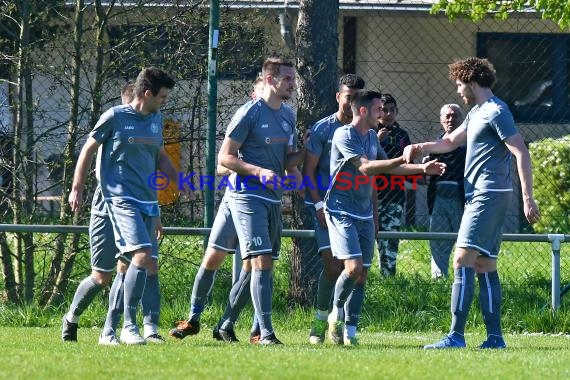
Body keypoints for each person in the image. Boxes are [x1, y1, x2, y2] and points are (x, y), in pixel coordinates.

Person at [403, 57, 540, 349]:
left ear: (472, 82)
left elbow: (520, 153)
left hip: (488, 194)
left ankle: (455, 336)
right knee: (484, 263)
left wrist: (528, 198)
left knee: (461, 259)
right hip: (484, 194)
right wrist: (420, 147)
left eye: (459, 85)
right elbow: (450, 142)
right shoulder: (477, 112)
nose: (457, 91)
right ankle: (495, 338)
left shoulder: (495, 111)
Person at [171, 57, 300, 345]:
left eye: (294, 78)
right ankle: (259, 332)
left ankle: (228, 324)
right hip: (245, 194)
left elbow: (288, 159)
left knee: (249, 263)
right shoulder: (249, 113)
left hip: (270, 198)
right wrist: (259, 171)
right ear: (270, 80)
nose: (294, 84)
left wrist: (309, 153)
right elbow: (224, 158)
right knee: (255, 260)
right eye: (288, 78)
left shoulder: (288, 115)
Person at [65, 67, 178, 345]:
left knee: (132, 262)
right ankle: (73, 317)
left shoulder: (155, 119)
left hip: (144, 203)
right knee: (102, 276)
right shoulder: (115, 117)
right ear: (147, 93)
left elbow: (160, 155)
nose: (165, 102)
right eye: (162, 97)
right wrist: (76, 187)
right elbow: (89, 149)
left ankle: (115, 330)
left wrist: (180, 180)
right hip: (115, 201)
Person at [325, 90, 446, 345]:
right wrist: (402, 156)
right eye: (379, 109)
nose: (383, 114)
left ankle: (351, 332)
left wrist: (421, 168)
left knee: (362, 274)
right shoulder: (343, 134)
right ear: (363, 111)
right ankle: (335, 312)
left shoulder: (371, 136)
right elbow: (367, 167)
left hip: (364, 212)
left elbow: (393, 168)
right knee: (353, 267)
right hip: (341, 210)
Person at [169, 76, 269, 344]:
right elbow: (222, 166)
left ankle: (229, 324)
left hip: (259, 202)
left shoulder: (275, 123)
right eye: (260, 94)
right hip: (234, 199)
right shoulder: (245, 119)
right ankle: (193, 318)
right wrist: (243, 166)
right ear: (253, 94)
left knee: (252, 265)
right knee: (212, 258)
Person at [304, 74, 365, 344]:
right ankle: (319, 322)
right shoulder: (323, 129)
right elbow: (308, 170)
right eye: (348, 96)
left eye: (356, 97)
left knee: (356, 269)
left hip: (355, 209)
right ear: (339, 97)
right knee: (332, 266)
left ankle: (347, 328)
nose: (351, 101)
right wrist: (318, 204)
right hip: (326, 207)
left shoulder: (363, 132)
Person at [427, 104, 466, 278]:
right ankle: (438, 279)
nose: (451, 119)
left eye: (455, 115)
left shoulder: (468, 143)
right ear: (441, 119)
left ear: (462, 119)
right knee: (437, 239)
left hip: (463, 198)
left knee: (464, 241)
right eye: (447, 116)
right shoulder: (435, 145)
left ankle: (463, 277)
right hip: (438, 198)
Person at [375, 94, 411, 276]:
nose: (388, 114)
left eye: (392, 110)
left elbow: (408, 163)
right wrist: (377, 141)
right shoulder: (370, 132)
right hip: (373, 194)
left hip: (395, 193)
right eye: (384, 110)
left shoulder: (402, 136)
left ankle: (389, 275)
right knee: (376, 236)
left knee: (392, 235)